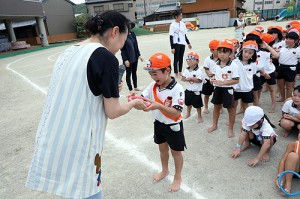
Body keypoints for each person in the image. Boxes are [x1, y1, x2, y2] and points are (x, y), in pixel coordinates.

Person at [26, 11, 146, 199]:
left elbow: (82, 86)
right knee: (88, 190)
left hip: (56, 136)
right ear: (115, 32)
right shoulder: (106, 58)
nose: (122, 46)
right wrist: (134, 104)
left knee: (75, 191)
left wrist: (108, 87)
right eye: (123, 39)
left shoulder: (69, 51)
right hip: (80, 142)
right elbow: (113, 111)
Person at [141, 52, 186, 192]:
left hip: (173, 125)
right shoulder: (153, 85)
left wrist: (157, 106)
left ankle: (178, 177)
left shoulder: (178, 89)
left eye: (155, 74)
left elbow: (176, 112)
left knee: (176, 152)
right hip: (159, 123)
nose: (153, 77)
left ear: (167, 71)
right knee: (162, 148)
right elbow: (143, 98)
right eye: (150, 74)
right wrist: (136, 100)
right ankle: (165, 170)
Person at [208, 39, 240, 138]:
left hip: (228, 89)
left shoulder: (233, 65)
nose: (222, 54)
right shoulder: (216, 64)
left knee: (230, 109)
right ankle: (214, 125)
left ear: (230, 53)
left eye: (225, 52)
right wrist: (212, 79)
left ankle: (230, 128)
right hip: (218, 89)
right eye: (220, 52)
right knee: (216, 107)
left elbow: (236, 80)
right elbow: (213, 75)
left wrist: (223, 82)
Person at [233, 40, 258, 114]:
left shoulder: (253, 64)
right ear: (241, 51)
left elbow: (252, 75)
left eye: (250, 53)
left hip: (247, 89)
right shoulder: (235, 62)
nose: (247, 54)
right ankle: (231, 119)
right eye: (245, 51)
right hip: (236, 88)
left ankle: (245, 122)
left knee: (246, 106)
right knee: (234, 105)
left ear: (253, 54)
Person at [274, 31, 300, 102]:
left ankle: (287, 100)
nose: (288, 40)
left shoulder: (298, 49)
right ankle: (282, 98)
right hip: (281, 67)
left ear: (296, 40)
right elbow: (277, 56)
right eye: (287, 38)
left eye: (290, 39)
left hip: (291, 68)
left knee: (289, 86)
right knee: (280, 85)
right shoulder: (283, 48)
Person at [121, 22, 144, 93]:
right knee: (129, 74)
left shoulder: (133, 34)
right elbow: (122, 49)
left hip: (135, 57)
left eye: (130, 26)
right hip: (128, 58)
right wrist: (125, 59)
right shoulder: (123, 36)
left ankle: (135, 87)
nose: (129, 27)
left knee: (134, 72)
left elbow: (136, 46)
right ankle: (131, 89)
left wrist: (139, 55)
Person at [181, 51, 204, 123]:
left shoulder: (198, 71)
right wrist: (184, 79)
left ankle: (199, 116)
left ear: (197, 61)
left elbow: (199, 80)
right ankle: (188, 113)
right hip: (188, 90)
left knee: (198, 105)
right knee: (188, 103)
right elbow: (183, 78)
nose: (189, 61)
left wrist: (191, 79)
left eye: (192, 59)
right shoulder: (186, 70)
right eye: (188, 59)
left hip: (196, 91)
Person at [169, 10, 192, 78]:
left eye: (181, 15)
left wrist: (188, 43)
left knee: (181, 58)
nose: (181, 17)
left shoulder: (182, 24)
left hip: (182, 43)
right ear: (176, 17)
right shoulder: (172, 25)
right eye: (180, 16)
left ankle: (180, 72)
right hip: (176, 43)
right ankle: (176, 73)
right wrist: (172, 47)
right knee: (176, 58)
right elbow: (171, 37)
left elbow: (184, 35)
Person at [202, 39, 219, 114]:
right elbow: (206, 69)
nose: (219, 51)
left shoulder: (222, 59)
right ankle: (206, 106)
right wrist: (211, 75)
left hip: (218, 80)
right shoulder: (207, 59)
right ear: (212, 50)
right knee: (207, 94)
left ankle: (220, 107)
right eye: (217, 49)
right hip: (208, 80)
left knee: (218, 94)